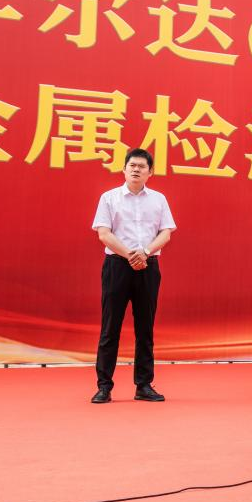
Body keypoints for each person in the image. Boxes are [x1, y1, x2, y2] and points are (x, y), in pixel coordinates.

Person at [90, 148, 176, 404]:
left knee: (145, 328)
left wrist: (145, 252)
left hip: (148, 267)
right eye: (132, 165)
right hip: (117, 266)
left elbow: (166, 233)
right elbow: (104, 233)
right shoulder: (109, 198)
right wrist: (130, 255)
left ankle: (144, 384)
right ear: (124, 169)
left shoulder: (159, 199)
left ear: (151, 172)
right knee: (110, 328)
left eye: (142, 166)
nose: (136, 169)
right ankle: (104, 386)